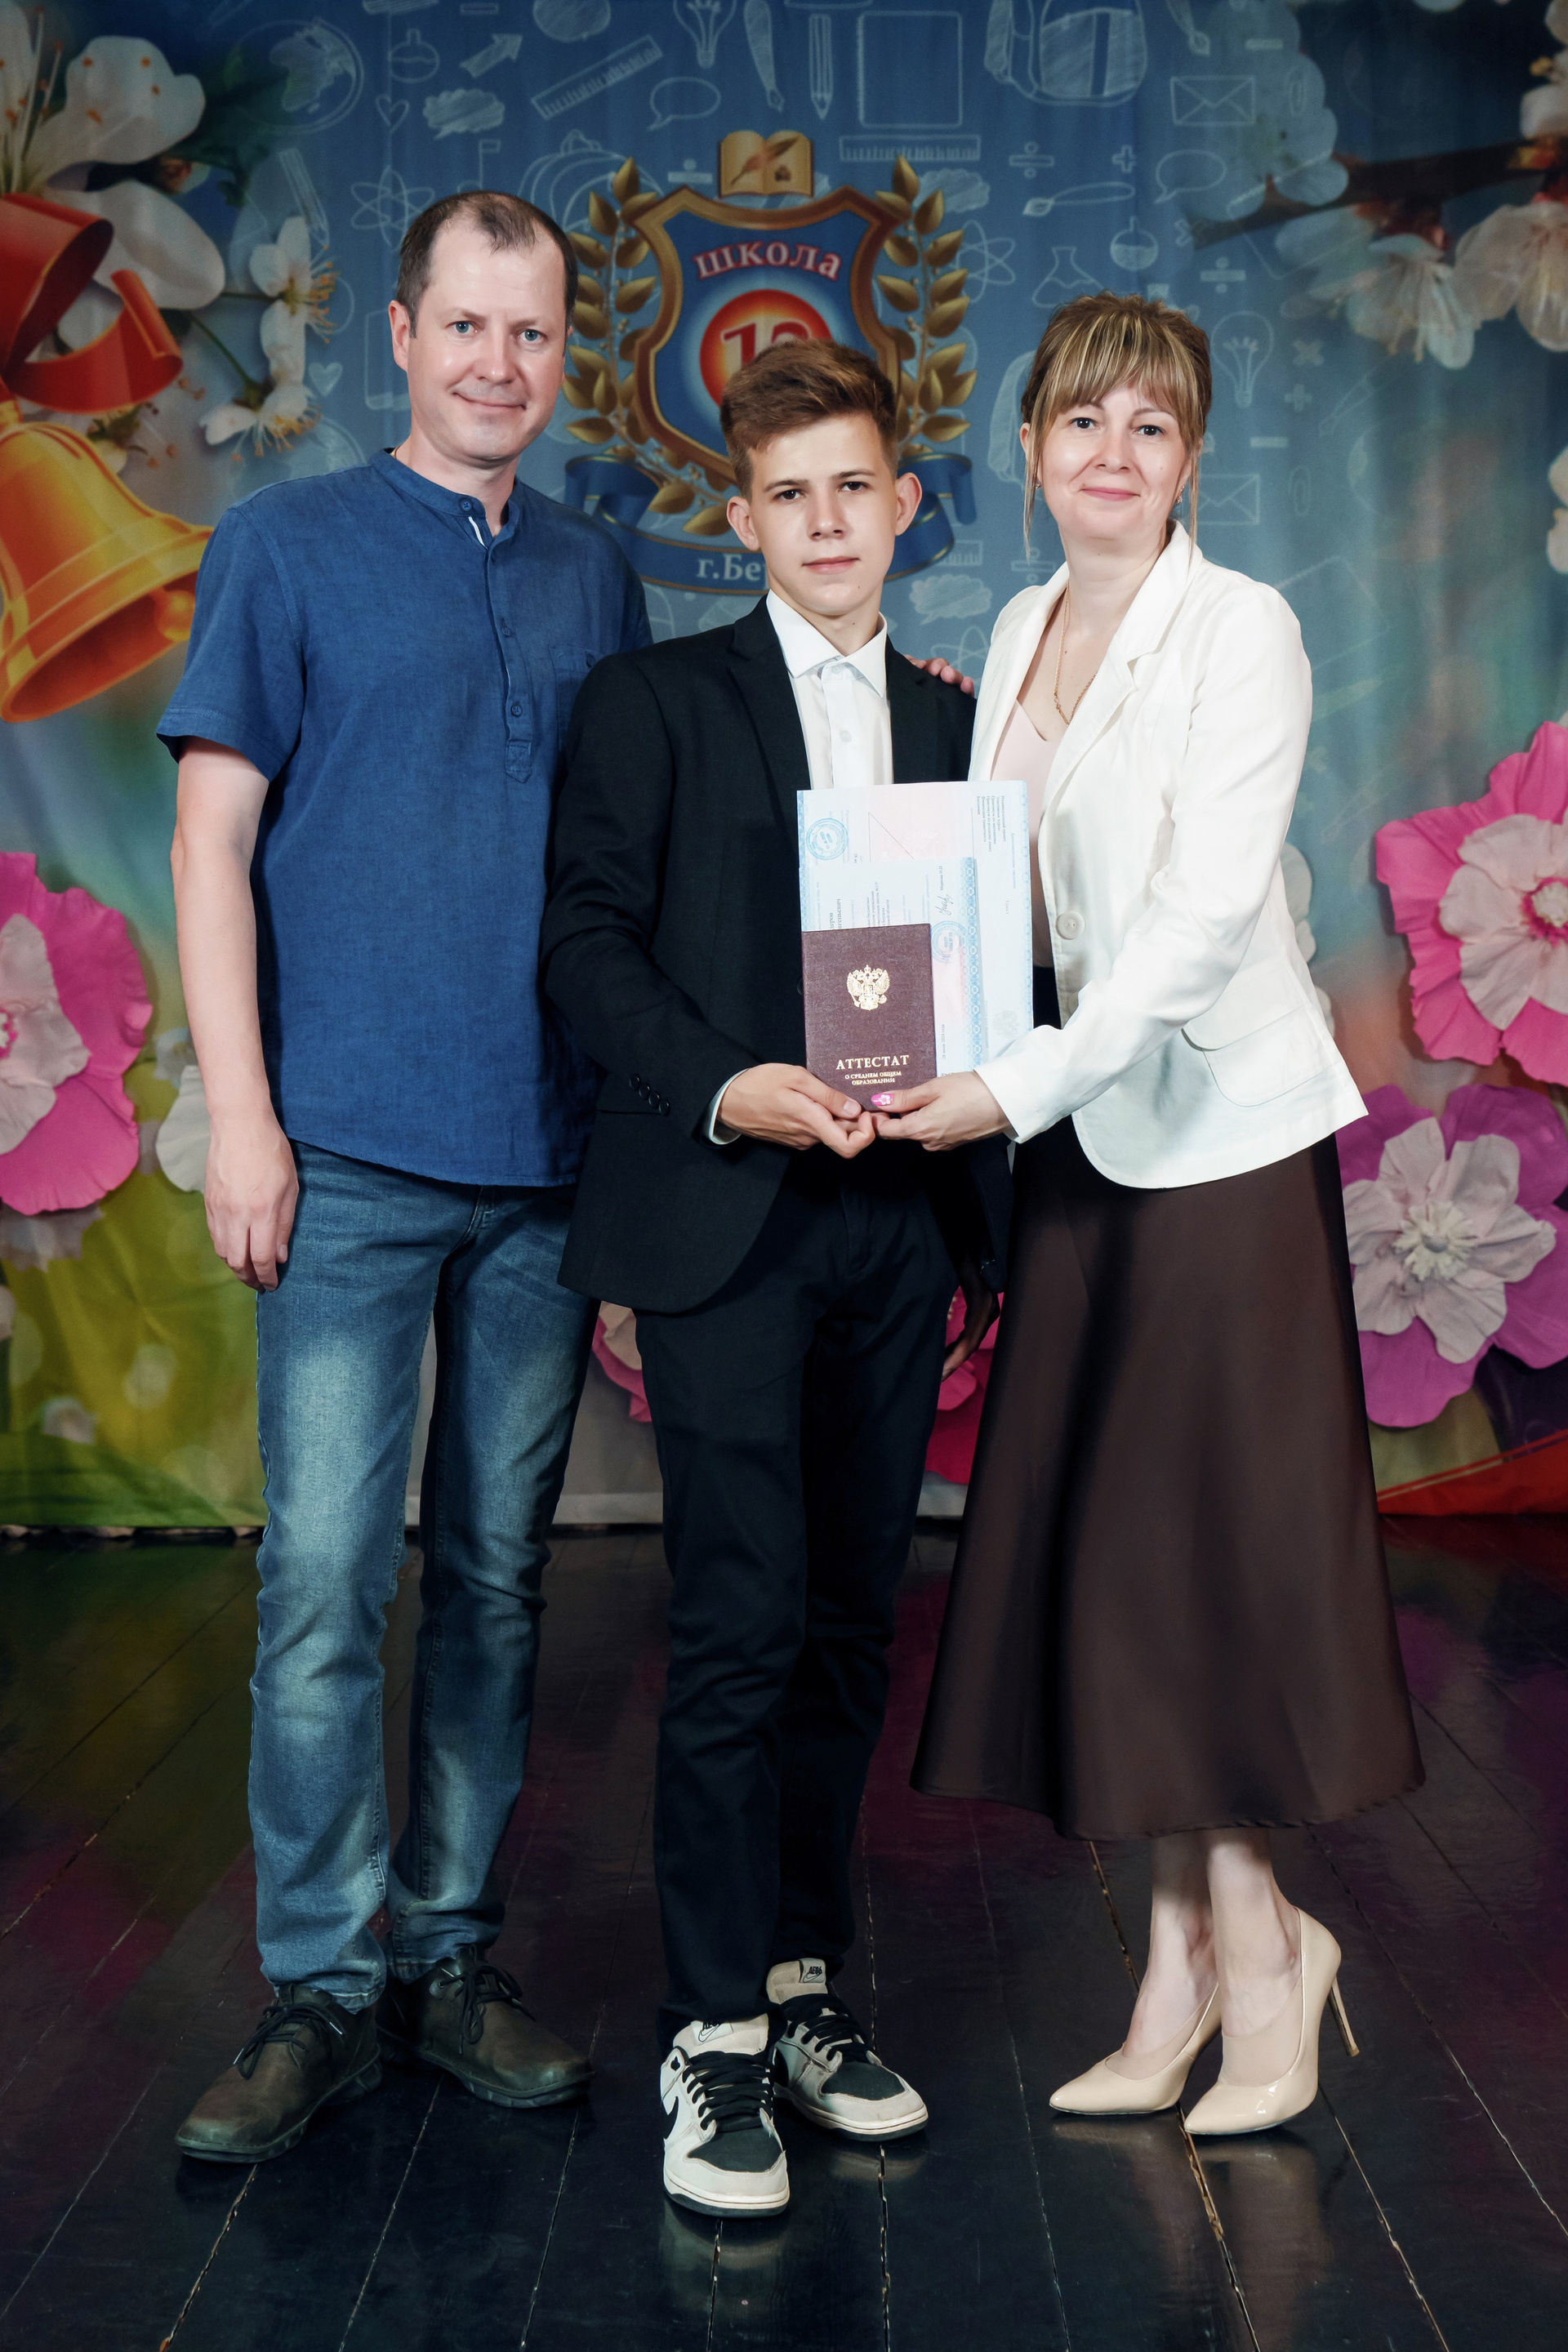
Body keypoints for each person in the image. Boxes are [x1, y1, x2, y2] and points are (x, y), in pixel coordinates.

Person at [871, 293, 1422, 2137]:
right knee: (1125, 1558)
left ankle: (1259, 1956)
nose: (1112, 455)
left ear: (1190, 462)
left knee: (1203, 1558)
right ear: (1028, 446)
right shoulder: (1020, 623)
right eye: (1082, 422)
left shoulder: (1241, 628)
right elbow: (994, 894)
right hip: (1076, 1146)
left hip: (1218, 1151)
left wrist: (1010, 1086)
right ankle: (1187, 1957)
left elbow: (1192, 928)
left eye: (1152, 428)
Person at [162, 190, 650, 2163]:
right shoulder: (281, 547)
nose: (498, 366)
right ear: (399, 331)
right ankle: (319, 1984)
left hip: (546, 1162)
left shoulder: (597, 572)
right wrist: (246, 1117)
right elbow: (211, 845)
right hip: (344, 1150)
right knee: (321, 1586)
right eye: (466, 326)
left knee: (500, 1580)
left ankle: (449, 1959)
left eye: (531, 335)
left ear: (561, 354)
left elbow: (632, 869)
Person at [540, 341, 1008, 2216]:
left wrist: (975, 1209)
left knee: (848, 1627)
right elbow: (585, 946)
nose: (825, 522)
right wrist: (726, 1086)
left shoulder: (963, 725)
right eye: (788, 494)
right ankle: (712, 2034)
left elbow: (1003, 964)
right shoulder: (651, 703)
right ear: (742, 519)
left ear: (905, 506)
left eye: (854, 488)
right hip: (730, 1215)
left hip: (895, 1223)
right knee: (738, 1622)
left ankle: (807, 1989)